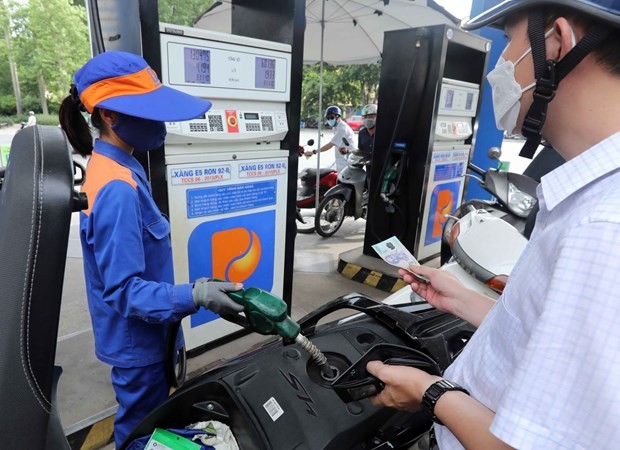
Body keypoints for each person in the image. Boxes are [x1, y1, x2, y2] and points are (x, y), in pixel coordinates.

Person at [366, 1, 620, 449]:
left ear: (556, 41)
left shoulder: (602, 226)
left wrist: (430, 394)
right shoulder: (587, 197)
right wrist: (464, 301)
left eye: (507, 39)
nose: (500, 64)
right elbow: (550, 347)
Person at [58, 51, 246, 448]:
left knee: (154, 422)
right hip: (137, 344)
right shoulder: (116, 188)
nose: (160, 122)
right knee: (139, 433)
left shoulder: (119, 166)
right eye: (149, 111)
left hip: (149, 334)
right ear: (109, 115)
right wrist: (196, 294)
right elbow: (124, 291)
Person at [305, 105, 354, 172]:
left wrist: (313, 152)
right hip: (341, 159)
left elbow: (330, 144)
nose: (330, 120)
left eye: (331, 117)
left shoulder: (342, 129)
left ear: (338, 116)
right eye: (328, 118)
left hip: (347, 162)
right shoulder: (336, 127)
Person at [357, 103, 377, 185]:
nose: (367, 119)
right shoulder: (362, 133)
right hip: (369, 171)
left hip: (382, 171)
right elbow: (360, 150)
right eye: (365, 117)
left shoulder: (384, 132)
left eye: (370, 116)